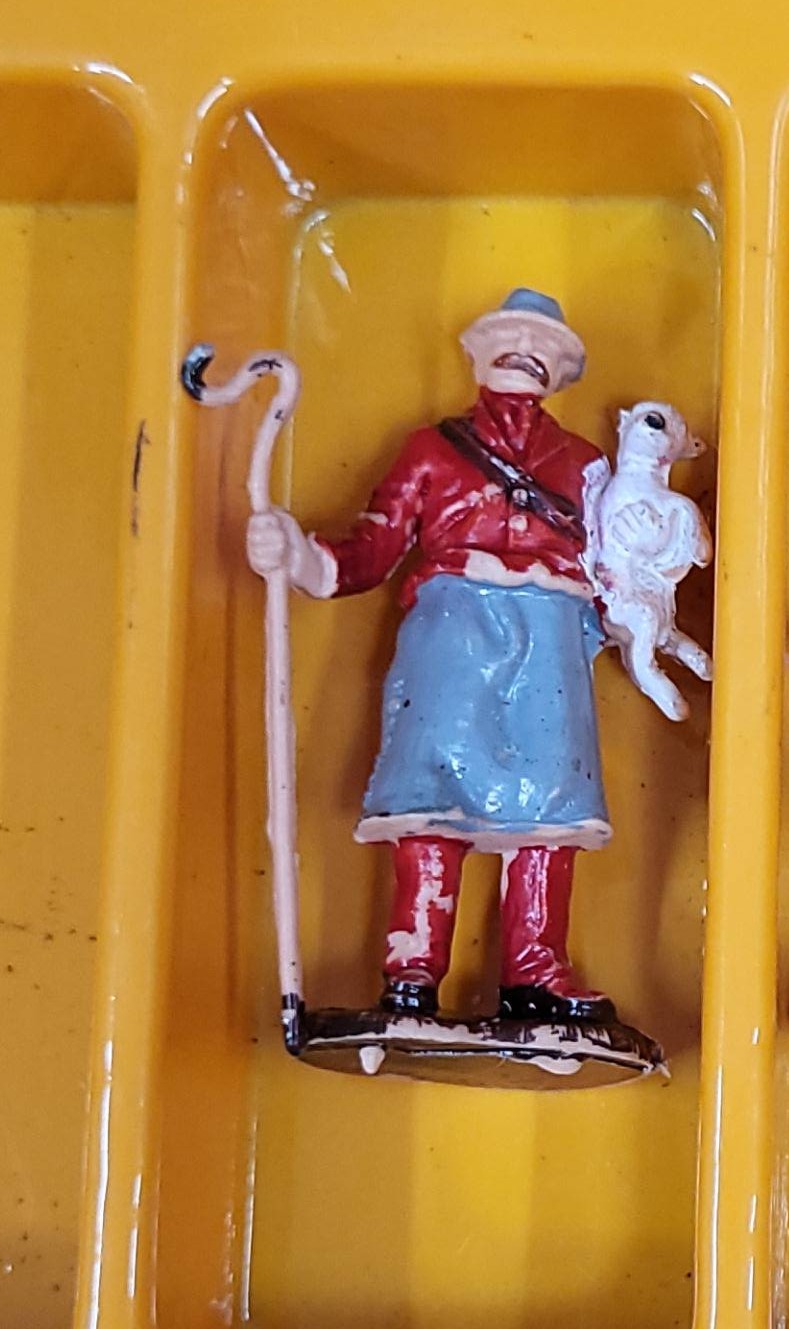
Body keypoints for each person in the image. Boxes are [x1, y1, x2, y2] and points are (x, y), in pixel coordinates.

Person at [245, 287, 621, 1025]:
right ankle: (412, 969)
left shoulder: (586, 465)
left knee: (552, 804)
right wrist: (295, 553)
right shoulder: (431, 451)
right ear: (479, 354)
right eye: (512, 339)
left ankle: (535, 970)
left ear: (561, 369)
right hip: (453, 634)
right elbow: (370, 551)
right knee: (432, 795)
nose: (525, 354)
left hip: (550, 641)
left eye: (543, 346)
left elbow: (618, 568)